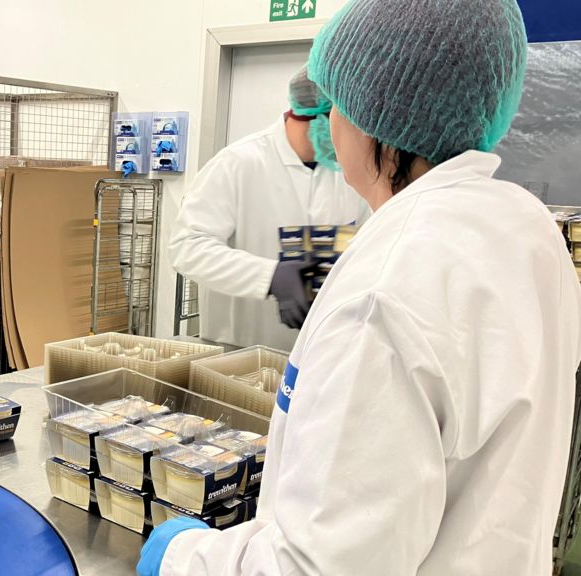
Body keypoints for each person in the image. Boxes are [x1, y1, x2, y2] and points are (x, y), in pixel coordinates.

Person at [139, 0, 581, 574]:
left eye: (338, 102)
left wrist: (181, 558)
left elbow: (318, 563)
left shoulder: (384, 295)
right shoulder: (525, 227)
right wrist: (278, 276)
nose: (332, 124)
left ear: (374, 113)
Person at [169, 66, 369, 350]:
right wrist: (269, 276)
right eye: (348, 123)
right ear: (321, 118)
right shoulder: (238, 164)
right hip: (241, 353)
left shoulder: (350, 173)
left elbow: (369, 246)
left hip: (325, 351)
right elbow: (187, 247)